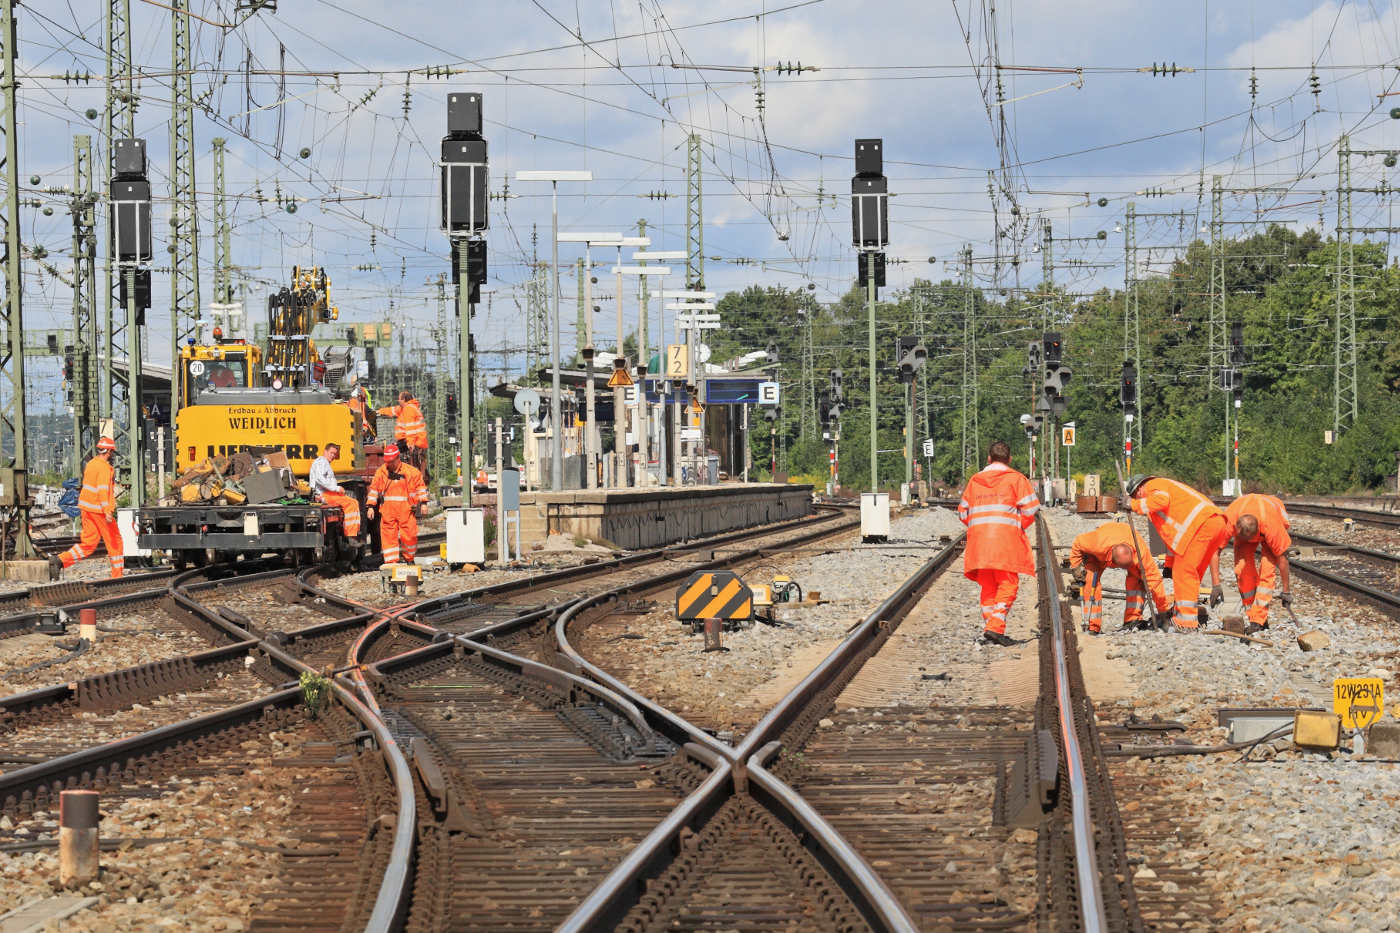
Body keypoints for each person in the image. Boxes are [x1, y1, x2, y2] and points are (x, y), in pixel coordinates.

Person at [958, 440, 1040, 646]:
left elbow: (963, 512)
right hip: (1005, 543)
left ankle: (990, 628)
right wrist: (1016, 524)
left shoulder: (975, 480)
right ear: (1009, 459)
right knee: (1008, 584)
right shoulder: (1016, 479)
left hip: (979, 544)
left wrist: (981, 526)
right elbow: (1031, 509)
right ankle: (994, 628)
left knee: (987, 586)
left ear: (988, 458)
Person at [1125, 475, 1229, 631]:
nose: (1138, 501)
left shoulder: (1153, 485)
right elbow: (1174, 537)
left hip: (1201, 525)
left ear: (1139, 489)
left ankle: (1185, 623)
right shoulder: (1163, 488)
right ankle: (1186, 614)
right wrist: (1169, 564)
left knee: (1184, 572)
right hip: (1214, 523)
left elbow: (1162, 500)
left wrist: (1133, 504)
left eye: (1136, 497)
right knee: (1192, 573)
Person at [1069, 521, 1171, 634]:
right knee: (1090, 582)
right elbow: (1077, 543)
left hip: (1125, 542)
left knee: (1137, 580)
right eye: (1121, 566)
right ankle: (1092, 626)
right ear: (1113, 557)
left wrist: (1163, 612)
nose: (1122, 569)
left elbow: (1155, 581)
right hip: (1097, 556)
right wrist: (1076, 566)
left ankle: (1132, 620)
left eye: (1125, 566)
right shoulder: (1097, 543)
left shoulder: (1140, 554)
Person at [55, 437, 124, 579]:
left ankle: (60, 560)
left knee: (89, 543)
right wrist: (107, 511)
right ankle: (117, 576)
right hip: (100, 511)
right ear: (109, 452)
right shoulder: (105, 468)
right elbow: (102, 490)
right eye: (112, 452)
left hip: (86, 510)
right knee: (115, 542)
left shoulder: (91, 464)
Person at [1226, 493, 1293, 634]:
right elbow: (1216, 548)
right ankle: (1254, 615)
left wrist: (1286, 591)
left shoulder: (1272, 527)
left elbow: (1283, 558)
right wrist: (1215, 584)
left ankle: (1258, 620)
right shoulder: (1230, 519)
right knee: (1242, 571)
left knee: (1267, 571)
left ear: (1258, 532)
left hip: (1272, 518)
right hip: (1246, 525)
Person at [366, 445, 428, 564]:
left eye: (391, 461)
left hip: (406, 509)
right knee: (388, 537)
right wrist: (370, 507)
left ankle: (409, 559)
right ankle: (391, 561)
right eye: (387, 461)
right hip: (388, 511)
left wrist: (424, 503)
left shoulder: (411, 472)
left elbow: (420, 486)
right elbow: (374, 490)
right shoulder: (381, 472)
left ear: (397, 458)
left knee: (409, 535)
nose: (389, 464)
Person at [308, 441, 361, 538]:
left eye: (334, 454)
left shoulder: (323, 463)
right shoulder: (322, 462)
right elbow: (319, 478)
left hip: (327, 493)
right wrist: (336, 488)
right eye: (331, 453)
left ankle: (352, 531)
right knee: (352, 503)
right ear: (325, 451)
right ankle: (351, 534)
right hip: (324, 494)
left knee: (352, 502)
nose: (333, 456)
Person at [376, 390, 428, 472]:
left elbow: (410, 429)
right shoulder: (406, 408)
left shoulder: (408, 409)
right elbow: (392, 410)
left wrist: (410, 444)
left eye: (399, 399)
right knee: (416, 464)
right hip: (415, 441)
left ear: (404, 399)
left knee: (411, 464)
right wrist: (380, 411)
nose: (398, 401)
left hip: (415, 442)